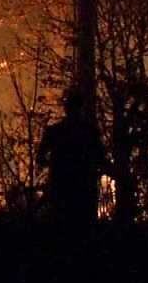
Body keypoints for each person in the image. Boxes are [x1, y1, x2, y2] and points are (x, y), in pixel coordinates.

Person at [37, 89, 105, 225]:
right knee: (84, 229)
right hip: (84, 189)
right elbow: (101, 159)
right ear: (81, 108)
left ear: (66, 109)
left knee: (61, 229)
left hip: (61, 188)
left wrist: (55, 165)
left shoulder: (54, 132)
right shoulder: (90, 133)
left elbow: (40, 158)